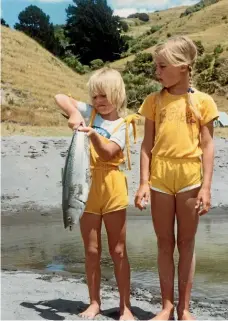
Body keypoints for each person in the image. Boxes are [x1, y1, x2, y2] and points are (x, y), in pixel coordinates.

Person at [134, 36, 219, 320]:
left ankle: (184, 308)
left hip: (189, 178)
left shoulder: (203, 102)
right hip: (160, 176)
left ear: (183, 67)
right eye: (156, 66)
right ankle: (166, 306)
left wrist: (206, 188)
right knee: (163, 243)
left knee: (186, 243)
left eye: (162, 66)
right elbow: (147, 145)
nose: (157, 72)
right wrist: (143, 182)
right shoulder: (153, 101)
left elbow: (207, 146)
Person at [55, 67, 139, 320]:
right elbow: (60, 96)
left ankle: (125, 306)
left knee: (118, 250)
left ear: (118, 95)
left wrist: (91, 135)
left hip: (112, 187)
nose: (98, 102)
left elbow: (109, 153)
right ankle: (94, 302)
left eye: (104, 96)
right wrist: (72, 112)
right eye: (94, 97)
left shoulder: (124, 124)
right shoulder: (89, 113)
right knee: (91, 250)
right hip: (85, 184)